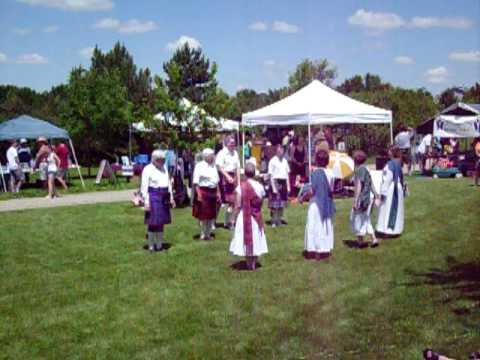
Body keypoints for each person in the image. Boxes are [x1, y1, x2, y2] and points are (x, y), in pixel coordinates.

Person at [229, 162, 268, 270]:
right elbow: (261, 201)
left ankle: (248, 263)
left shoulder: (240, 187)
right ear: (254, 173)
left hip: (244, 215)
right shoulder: (260, 186)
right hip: (256, 215)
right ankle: (254, 262)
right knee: (256, 237)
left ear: (245, 174)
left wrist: (233, 218)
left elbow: (237, 205)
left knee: (246, 237)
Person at [302, 150, 336, 260]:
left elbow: (312, 191)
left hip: (316, 204)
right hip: (327, 202)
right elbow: (331, 189)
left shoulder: (315, 173)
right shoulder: (331, 173)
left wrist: (303, 197)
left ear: (317, 160)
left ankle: (315, 250)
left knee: (315, 225)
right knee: (325, 225)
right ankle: (324, 248)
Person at [141, 150, 175, 252]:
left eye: (164, 160)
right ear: (155, 159)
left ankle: (159, 245)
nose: (163, 162)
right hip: (153, 196)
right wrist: (146, 202)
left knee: (161, 222)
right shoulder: (147, 169)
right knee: (153, 223)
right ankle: (151, 246)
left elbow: (168, 183)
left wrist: (171, 197)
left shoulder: (164, 168)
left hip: (164, 196)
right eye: (161, 160)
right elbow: (144, 187)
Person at [350, 150, 380, 247]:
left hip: (362, 199)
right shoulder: (366, 169)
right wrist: (375, 194)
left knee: (357, 218)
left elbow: (359, 185)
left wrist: (356, 200)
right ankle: (374, 239)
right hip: (369, 198)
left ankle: (360, 241)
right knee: (366, 219)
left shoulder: (359, 170)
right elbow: (370, 183)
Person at [193, 148, 221, 240]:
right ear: (206, 156)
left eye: (213, 155)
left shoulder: (213, 166)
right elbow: (196, 182)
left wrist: (218, 192)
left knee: (211, 215)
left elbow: (216, 181)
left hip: (212, 192)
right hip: (203, 191)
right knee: (203, 215)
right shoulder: (199, 166)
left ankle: (208, 234)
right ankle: (202, 233)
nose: (213, 157)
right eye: (211, 155)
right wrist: (199, 194)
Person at [376, 146, 405, 236]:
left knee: (388, 209)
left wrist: (382, 194)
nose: (388, 152)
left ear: (391, 153)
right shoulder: (398, 163)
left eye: (389, 151)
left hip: (391, 189)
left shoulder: (389, 164)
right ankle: (396, 229)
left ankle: (388, 230)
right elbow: (401, 178)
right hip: (398, 188)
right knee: (397, 210)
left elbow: (387, 179)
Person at [216, 136, 241, 229]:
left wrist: (238, 182)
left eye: (234, 143)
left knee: (232, 202)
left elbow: (237, 168)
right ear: (226, 144)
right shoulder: (221, 153)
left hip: (233, 177)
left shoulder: (235, 153)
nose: (233, 145)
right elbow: (219, 167)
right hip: (223, 177)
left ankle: (229, 222)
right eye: (231, 143)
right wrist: (227, 176)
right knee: (219, 202)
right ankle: (213, 221)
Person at [268, 145, 291, 227]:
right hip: (275, 182)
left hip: (283, 182)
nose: (281, 151)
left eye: (282, 150)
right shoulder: (272, 161)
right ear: (276, 151)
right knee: (275, 204)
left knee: (281, 204)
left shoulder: (285, 161)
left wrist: (288, 186)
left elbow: (287, 174)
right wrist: (274, 187)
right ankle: (274, 221)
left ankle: (279, 220)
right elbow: (270, 175)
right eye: (279, 150)